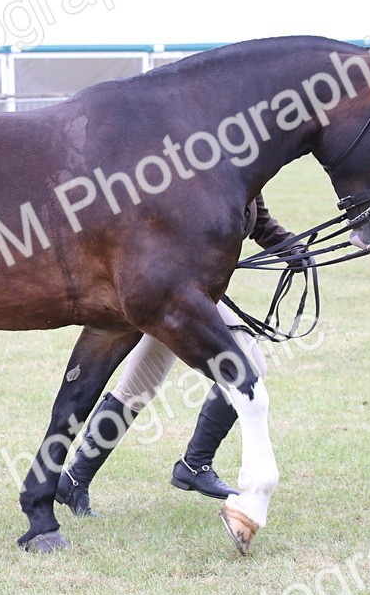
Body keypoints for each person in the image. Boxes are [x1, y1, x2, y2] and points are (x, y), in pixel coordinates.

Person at [56, 194, 304, 517]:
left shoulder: (241, 175)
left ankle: (75, 479)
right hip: (173, 293)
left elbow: (260, 222)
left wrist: (293, 249)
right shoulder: (194, 172)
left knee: (135, 389)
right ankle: (194, 464)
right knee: (248, 367)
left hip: (177, 294)